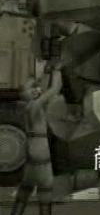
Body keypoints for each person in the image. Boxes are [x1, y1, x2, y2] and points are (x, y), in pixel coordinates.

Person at [11, 64, 62, 215]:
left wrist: (45, 74)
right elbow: (53, 90)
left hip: (33, 156)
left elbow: (45, 91)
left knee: (24, 191)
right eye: (31, 89)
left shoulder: (30, 106)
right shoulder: (34, 106)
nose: (36, 90)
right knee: (45, 192)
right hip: (41, 157)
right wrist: (57, 72)